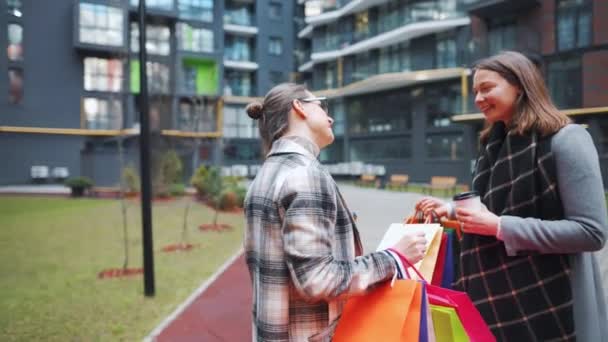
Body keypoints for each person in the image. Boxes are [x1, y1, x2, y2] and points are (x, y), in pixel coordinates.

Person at [415, 51, 607, 341]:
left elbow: (591, 232)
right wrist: (452, 211)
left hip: (552, 301)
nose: (478, 98)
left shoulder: (567, 140)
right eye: (476, 90)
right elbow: (493, 206)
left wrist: (500, 227)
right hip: (492, 300)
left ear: (519, 85)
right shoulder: (492, 145)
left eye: (487, 88)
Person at [243, 83, 427, 342]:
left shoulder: (264, 176)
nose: (329, 117)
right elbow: (318, 280)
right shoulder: (305, 175)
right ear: (299, 107)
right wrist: (393, 258)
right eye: (321, 104)